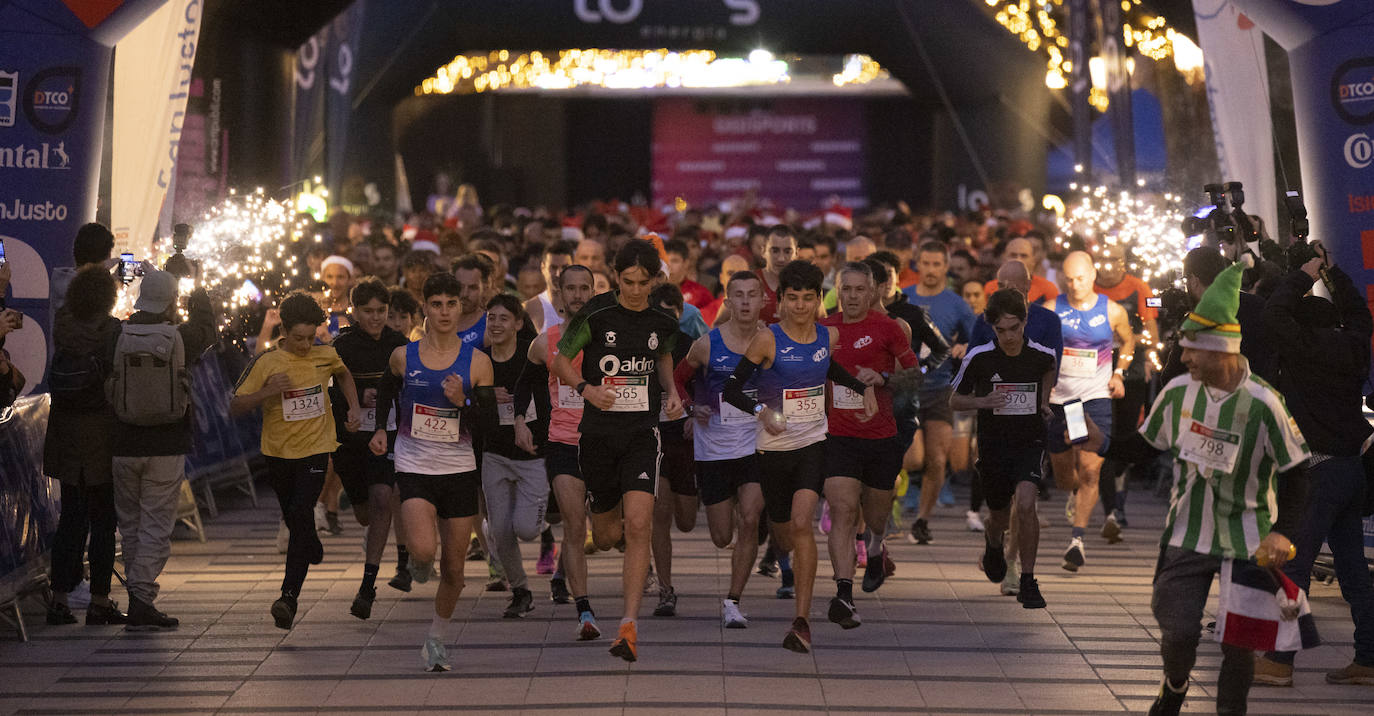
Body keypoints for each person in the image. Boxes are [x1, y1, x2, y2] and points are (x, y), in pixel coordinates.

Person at [1138, 261, 1309, 715]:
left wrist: (1282, 533)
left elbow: (1298, 471)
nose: (1185, 358)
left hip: (1251, 538)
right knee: (1176, 628)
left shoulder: (1265, 404)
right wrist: (1097, 442)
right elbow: (1142, 449)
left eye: (1192, 350)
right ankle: (1175, 683)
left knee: (1239, 643)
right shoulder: (1177, 393)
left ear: (1220, 351)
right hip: (1187, 534)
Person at [722, 260, 876, 653]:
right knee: (785, 532)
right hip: (772, 449)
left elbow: (830, 369)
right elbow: (733, 390)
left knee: (804, 521)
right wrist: (762, 413)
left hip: (812, 443)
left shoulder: (827, 337)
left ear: (816, 300)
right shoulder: (767, 339)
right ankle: (781, 558)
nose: (801, 306)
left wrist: (863, 389)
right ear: (782, 301)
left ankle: (802, 621)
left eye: (809, 298)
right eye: (793, 298)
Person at [550, 239, 684, 662]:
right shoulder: (596, 312)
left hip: (642, 432)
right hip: (598, 437)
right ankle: (607, 527)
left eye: (644, 283)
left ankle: (628, 625)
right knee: (608, 537)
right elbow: (559, 360)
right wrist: (587, 389)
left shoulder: (662, 321)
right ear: (616, 275)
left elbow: (662, 358)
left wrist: (673, 392)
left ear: (655, 280)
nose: (635, 290)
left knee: (641, 522)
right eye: (628, 281)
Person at [1254, 255, 1374, 686]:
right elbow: (1360, 312)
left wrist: (1305, 272)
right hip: (1352, 469)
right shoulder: (1356, 342)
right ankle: (1369, 658)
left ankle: (1279, 661)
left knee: (1294, 567)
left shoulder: (1301, 347)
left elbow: (1273, 312)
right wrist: (1333, 273)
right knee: (1352, 568)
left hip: (1318, 472)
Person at [367, 272, 494, 671]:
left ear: (461, 307)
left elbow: (489, 424)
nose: (444, 311)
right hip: (415, 464)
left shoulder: (478, 363)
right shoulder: (405, 356)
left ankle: (436, 640)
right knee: (423, 549)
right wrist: (382, 431)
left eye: (451, 304)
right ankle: (419, 561)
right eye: (436, 304)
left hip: (459, 470)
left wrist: (463, 402)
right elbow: (388, 389)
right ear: (426, 307)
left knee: (455, 572)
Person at [231, 292, 364, 630]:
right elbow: (235, 405)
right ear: (284, 331)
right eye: (298, 338)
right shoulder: (267, 362)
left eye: (310, 337)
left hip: (317, 449)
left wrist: (353, 407)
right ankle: (311, 542)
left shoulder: (326, 354)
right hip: (277, 453)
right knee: (295, 518)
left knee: (301, 512)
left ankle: (288, 597)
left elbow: (345, 374)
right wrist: (266, 392)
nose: (305, 345)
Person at [108, 270, 216, 630]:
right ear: (172, 301)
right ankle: (141, 598)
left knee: (132, 524)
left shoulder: (116, 335)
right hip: (167, 446)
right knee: (156, 524)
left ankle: (137, 597)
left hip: (122, 443)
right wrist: (196, 285)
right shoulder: (181, 337)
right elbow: (207, 328)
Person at [820, 262, 921, 629]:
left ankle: (876, 546)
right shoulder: (825, 329)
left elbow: (914, 376)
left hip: (880, 438)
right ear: (838, 290)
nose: (851, 296)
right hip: (839, 436)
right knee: (843, 510)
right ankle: (843, 594)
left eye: (859, 290)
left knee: (875, 515)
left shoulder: (888, 328)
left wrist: (883, 377)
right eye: (845, 289)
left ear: (873, 292)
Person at [951, 288, 1057, 608]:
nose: (1009, 336)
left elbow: (1049, 370)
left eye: (1015, 328)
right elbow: (954, 400)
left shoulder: (1041, 355)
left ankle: (1028, 580)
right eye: (1001, 330)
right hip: (994, 445)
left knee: (1026, 504)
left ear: (1025, 323)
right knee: (998, 515)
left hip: (1029, 440)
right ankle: (993, 541)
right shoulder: (980, 358)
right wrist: (983, 401)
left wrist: (1043, 400)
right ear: (991, 328)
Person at [674, 269, 767, 628]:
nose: (745, 302)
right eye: (738, 295)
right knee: (720, 535)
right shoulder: (707, 344)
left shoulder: (770, 341)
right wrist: (689, 407)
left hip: (754, 445)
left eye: (752, 295)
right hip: (712, 448)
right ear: (728, 302)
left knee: (751, 517)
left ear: (763, 301)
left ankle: (733, 601)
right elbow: (678, 382)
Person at [521, 264, 601, 638]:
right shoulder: (545, 342)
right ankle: (584, 610)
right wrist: (522, 420)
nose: (579, 295)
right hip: (563, 443)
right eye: (572, 288)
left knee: (606, 536)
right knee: (573, 522)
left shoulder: (607, 339)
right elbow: (525, 385)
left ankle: (565, 572)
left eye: (585, 288)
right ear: (560, 292)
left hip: (605, 443)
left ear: (595, 291)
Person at [44, 265, 125, 627]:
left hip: (64, 434)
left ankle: (58, 600)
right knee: (104, 520)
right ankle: (99, 601)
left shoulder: (62, 323)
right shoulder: (111, 330)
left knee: (71, 519)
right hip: (99, 436)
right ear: (108, 298)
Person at [1045, 250, 1133, 572]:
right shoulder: (1052, 309)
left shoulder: (1111, 310)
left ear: (1093, 275)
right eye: (1068, 278)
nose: (1074, 284)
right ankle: (1073, 493)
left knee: (1091, 469)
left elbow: (1129, 341)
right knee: (1064, 476)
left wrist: (1119, 372)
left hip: (1095, 397)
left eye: (1080, 277)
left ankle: (1077, 540)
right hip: (1061, 399)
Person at [328, 278, 409, 620]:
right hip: (350, 437)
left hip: (386, 433)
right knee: (364, 512)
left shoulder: (399, 344)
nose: (376, 318)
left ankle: (367, 586)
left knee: (381, 500)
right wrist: (356, 400)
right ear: (355, 312)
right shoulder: (342, 345)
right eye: (368, 312)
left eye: (381, 311)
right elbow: (328, 389)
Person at [477, 293, 550, 619]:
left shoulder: (530, 355)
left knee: (525, 529)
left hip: (532, 454)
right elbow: (465, 402)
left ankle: (544, 526)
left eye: (503, 318)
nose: (495, 324)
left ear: (518, 324)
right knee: (500, 529)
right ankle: (521, 590)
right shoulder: (479, 359)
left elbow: (547, 399)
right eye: (491, 318)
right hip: (494, 453)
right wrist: (484, 395)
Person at [902, 241, 975, 544]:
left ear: (946, 267)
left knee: (937, 459)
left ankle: (922, 520)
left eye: (936, 264)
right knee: (914, 459)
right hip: (905, 391)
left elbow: (978, 340)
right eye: (925, 264)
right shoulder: (903, 298)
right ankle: (895, 495)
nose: (930, 270)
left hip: (940, 389)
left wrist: (965, 347)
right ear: (917, 264)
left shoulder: (956, 304)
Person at [1094, 241, 1159, 535]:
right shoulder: (1087, 287)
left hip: (1131, 374)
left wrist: (1145, 354)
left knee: (1125, 436)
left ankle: (1119, 497)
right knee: (1102, 436)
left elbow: (1152, 329)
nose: (1108, 265)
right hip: (1093, 373)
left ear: (1124, 262)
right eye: (1103, 259)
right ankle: (1110, 508)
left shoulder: (1139, 288)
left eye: (1114, 259)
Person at [646, 283, 698, 618]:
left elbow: (709, 385)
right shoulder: (642, 345)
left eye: (672, 311)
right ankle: (666, 589)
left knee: (687, 521)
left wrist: (696, 412)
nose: (666, 318)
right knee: (659, 517)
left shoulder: (691, 346)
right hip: (654, 437)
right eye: (659, 312)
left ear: (680, 314)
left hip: (685, 438)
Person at [984, 237, 1058, 303]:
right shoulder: (991, 288)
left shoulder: (1047, 289)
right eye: (1013, 255)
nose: (1018, 260)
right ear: (1004, 259)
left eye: (1024, 256)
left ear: (1033, 261)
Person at [524, 240, 576, 332]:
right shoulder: (529, 308)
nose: (558, 274)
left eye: (564, 267)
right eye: (553, 267)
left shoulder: (585, 306)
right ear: (543, 268)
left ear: (573, 267)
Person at [450, 254, 490, 347]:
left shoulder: (489, 326)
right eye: (460, 286)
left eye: (472, 288)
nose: (465, 294)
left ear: (485, 288)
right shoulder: (435, 321)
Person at [701, 254, 751, 327]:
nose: (736, 279)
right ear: (721, 278)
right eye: (730, 274)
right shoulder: (705, 314)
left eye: (742, 274)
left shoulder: (762, 310)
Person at [664, 238, 712, 309]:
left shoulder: (701, 294)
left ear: (686, 263)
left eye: (674, 261)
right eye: (665, 261)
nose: (668, 266)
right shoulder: (651, 293)